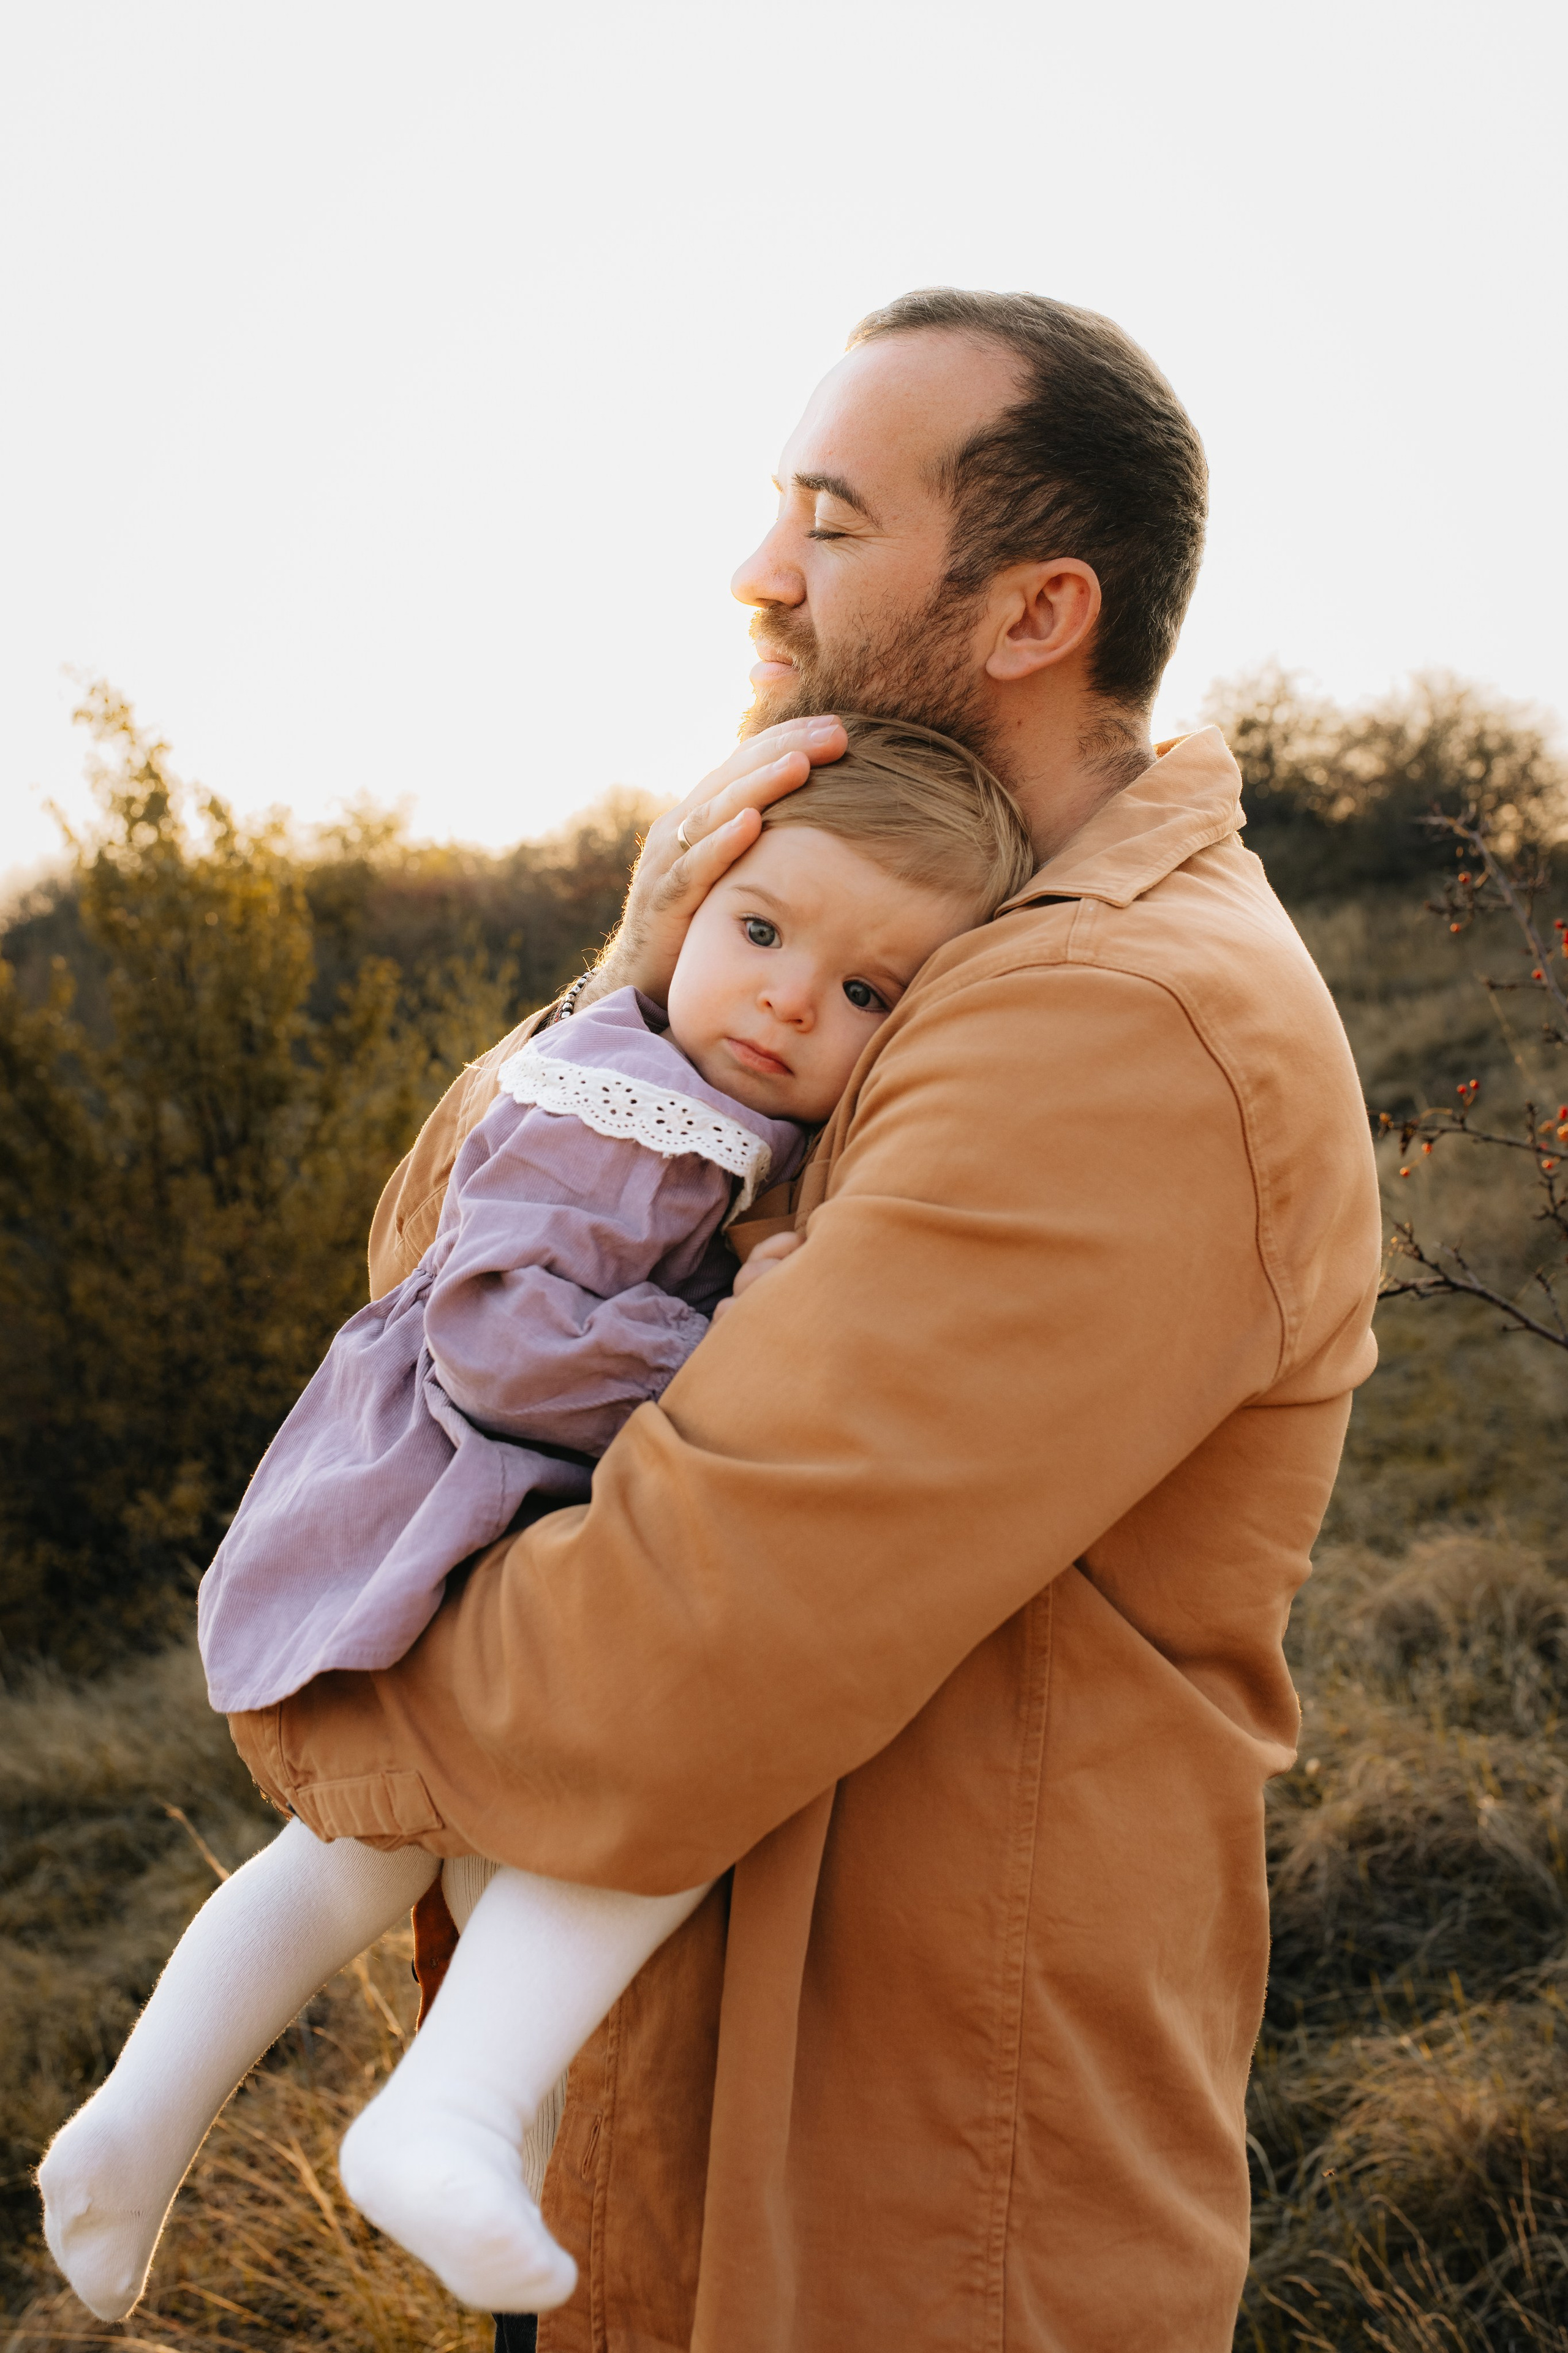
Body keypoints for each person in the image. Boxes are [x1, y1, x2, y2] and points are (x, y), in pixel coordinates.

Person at [87, 289, 1387, 2351]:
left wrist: (331, 1644)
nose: (760, 570)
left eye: (832, 519)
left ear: (1037, 606)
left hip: (903, 2207)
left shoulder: (1121, 1021)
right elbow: (442, 1296)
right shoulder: (894, 940)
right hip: (657, 2141)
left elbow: (664, 1649)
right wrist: (632, 977)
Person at [36, 720, 1036, 2324]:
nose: (790, 998)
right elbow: (510, 1343)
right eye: (764, 933)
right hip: (456, 1496)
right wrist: (732, 1341)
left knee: (362, 1859)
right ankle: (451, 2111)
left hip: (472, 1509)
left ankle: (132, 2133)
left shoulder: (700, 1100)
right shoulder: (634, 1104)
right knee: (658, 1797)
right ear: (685, 912)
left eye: (869, 991)